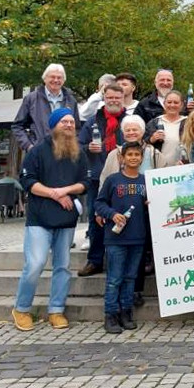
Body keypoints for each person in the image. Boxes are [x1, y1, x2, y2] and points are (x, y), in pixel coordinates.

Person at [11, 108, 87, 332]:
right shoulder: (37, 151)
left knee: (62, 266)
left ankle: (56, 309)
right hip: (40, 217)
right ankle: (22, 308)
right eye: (64, 121)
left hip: (66, 218)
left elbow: (85, 182)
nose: (68, 125)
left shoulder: (78, 152)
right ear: (53, 125)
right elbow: (28, 181)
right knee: (34, 264)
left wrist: (66, 190)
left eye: (72, 122)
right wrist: (56, 194)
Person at [94, 141, 148, 334]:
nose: (133, 158)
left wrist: (150, 204)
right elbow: (99, 203)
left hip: (137, 237)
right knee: (114, 278)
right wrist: (111, 214)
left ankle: (126, 312)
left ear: (142, 158)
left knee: (130, 278)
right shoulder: (113, 180)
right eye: (130, 154)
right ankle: (111, 314)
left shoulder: (145, 181)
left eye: (137, 154)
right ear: (122, 158)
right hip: (116, 239)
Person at [77, 83, 127, 278]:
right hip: (97, 177)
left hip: (123, 176)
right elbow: (78, 146)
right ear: (104, 98)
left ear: (123, 99)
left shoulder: (130, 120)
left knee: (123, 218)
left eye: (117, 98)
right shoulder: (92, 121)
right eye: (110, 98)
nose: (113, 101)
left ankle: (120, 261)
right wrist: (88, 147)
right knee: (95, 220)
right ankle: (95, 260)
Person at [12, 63, 80, 152]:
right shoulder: (32, 99)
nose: (56, 80)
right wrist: (29, 146)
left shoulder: (71, 100)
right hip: (39, 152)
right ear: (45, 79)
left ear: (64, 80)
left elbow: (77, 128)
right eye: (52, 77)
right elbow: (17, 126)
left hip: (64, 153)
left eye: (59, 77)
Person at [145, 90, 187, 166]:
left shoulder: (188, 122)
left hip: (182, 168)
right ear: (164, 104)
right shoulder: (154, 123)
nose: (172, 105)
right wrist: (151, 139)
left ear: (181, 105)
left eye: (176, 102)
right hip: (158, 168)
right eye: (169, 102)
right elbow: (142, 145)